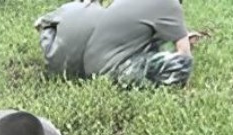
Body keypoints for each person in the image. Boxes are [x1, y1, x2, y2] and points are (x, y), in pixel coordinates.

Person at [35, 0, 194, 87]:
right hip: (108, 72)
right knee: (184, 64)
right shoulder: (170, 4)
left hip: (88, 62)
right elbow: (184, 54)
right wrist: (183, 42)